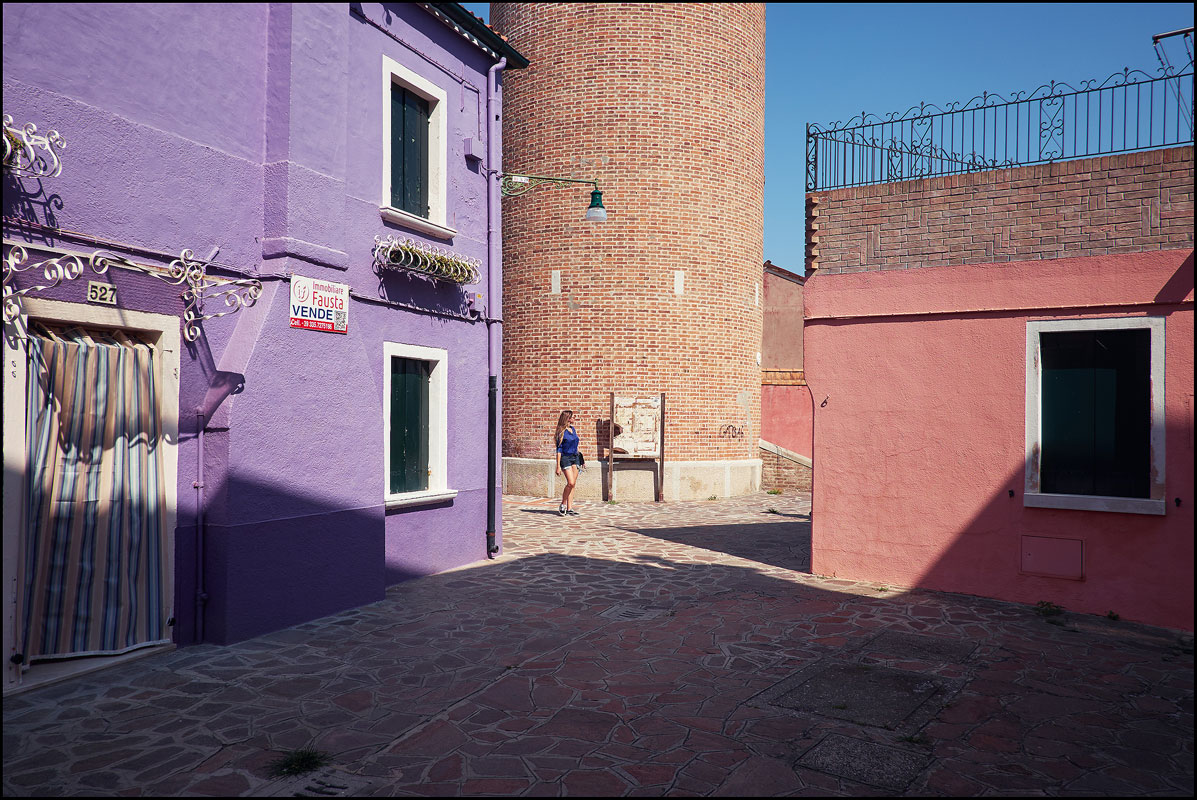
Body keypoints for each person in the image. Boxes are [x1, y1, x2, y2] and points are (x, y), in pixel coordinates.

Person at [554, 409, 583, 516]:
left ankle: (570, 508)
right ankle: (562, 504)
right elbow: (559, 450)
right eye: (572, 417)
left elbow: (576, 445)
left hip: (575, 458)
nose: (574, 418)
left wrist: (581, 459)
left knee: (573, 484)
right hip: (565, 458)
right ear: (568, 418)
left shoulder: (573, 429)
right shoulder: (561, 431)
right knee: (570, 482)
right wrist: (557, 466)